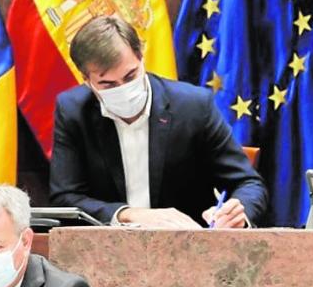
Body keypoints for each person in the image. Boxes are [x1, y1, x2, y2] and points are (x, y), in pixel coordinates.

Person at [49, 15, 268, 229]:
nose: (123, 89)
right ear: (86, 80)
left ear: (141, 57)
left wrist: (235, 215)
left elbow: (248, 184)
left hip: (188, 250)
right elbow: (65, 198)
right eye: (108, 84)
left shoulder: (193, 106)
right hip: (106, 253)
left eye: (130, 76)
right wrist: (127, 214)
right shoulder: (73, 110)